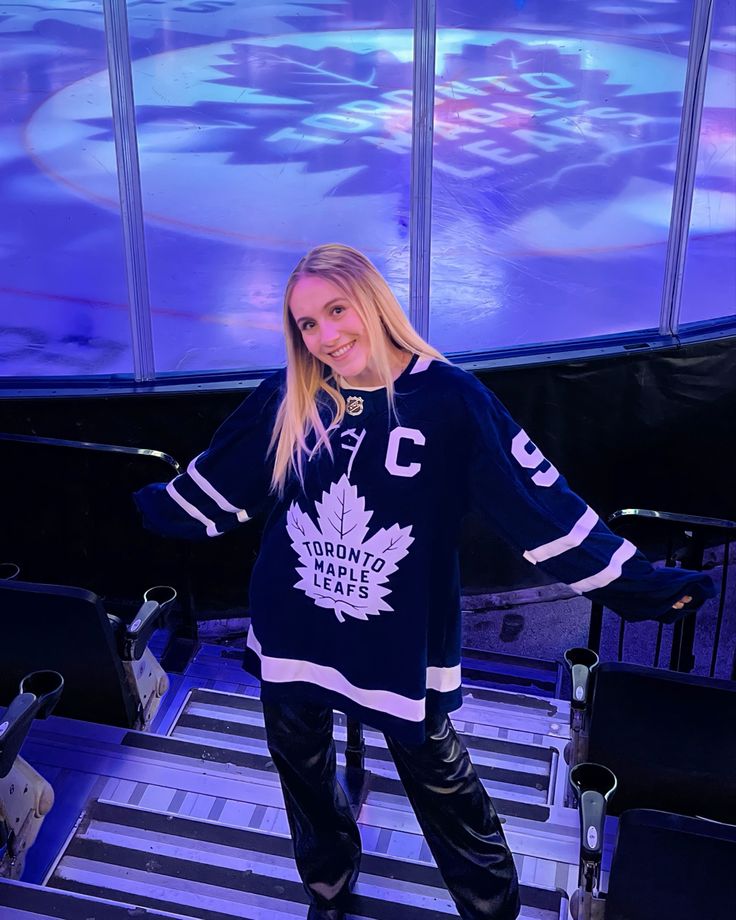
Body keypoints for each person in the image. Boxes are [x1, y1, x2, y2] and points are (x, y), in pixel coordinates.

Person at [135, 244, 715, 920]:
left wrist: (637, 583)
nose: (326, 337)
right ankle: (327, 882)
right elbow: (217, 483)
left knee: (440, 779)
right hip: (294, 619)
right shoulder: (292, 395)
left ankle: (491, 904)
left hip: (397, 634)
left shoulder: (451, 400)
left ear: (373, 302)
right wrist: (139, 502)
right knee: (300, 763)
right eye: (307, 326)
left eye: (335, 311)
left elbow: (540, 506)